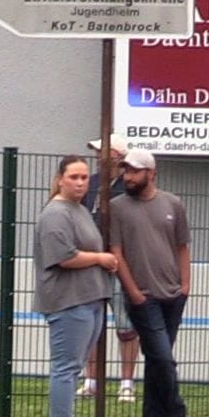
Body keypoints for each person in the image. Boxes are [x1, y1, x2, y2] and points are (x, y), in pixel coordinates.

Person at [109, 148, 192, 417]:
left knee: (159, 361)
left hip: (173, 294)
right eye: (125, 171)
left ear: (150, 173)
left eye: (133, 171)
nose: (127, 176)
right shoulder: (117, 207)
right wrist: (133, 292)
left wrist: (185, 286)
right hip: (143, 296)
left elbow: (182, 245)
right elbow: (116, 252)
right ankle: (178, 416)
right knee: (162, 358)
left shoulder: (173, 204)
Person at [35, 155, 115, 417]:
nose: (81, 182)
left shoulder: (78, 210)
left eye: (84, 177)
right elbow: (63, 256)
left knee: (75, 363)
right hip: (68, 299)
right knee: (66, 365)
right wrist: (100, 258)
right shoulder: (56, 214)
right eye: (74, 177)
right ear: (60, 179)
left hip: (89, 296)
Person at [83, 135, 140, 403]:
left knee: (126, 324)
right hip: (92, 262)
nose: (97, 157)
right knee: (92, 324)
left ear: (116, 156)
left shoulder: (128, 187)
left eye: (102, 152)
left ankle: (127, 382)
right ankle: (91, 380)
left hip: (121, 263)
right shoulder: (91, 184)